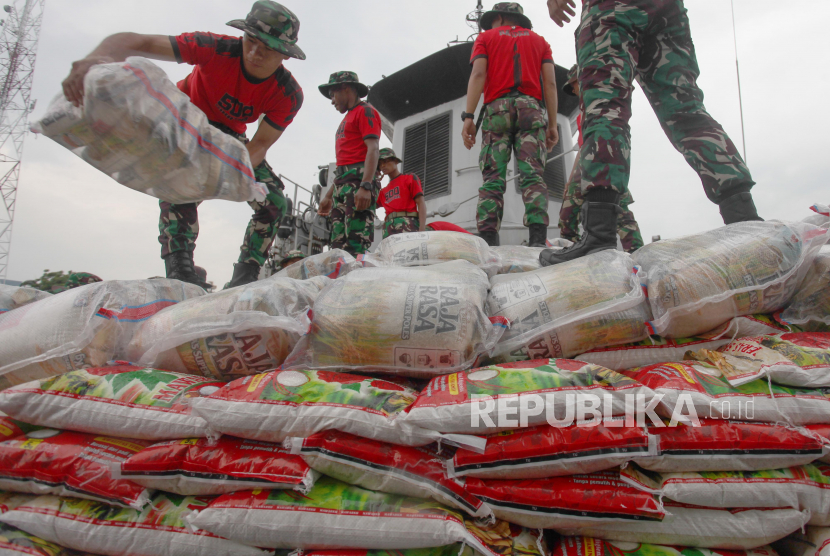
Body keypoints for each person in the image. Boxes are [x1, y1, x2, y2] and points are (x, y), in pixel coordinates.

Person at [61, 1, 306, 289]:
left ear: (284, 54)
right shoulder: (215, 48)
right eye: (250, 41)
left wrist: (229, 170)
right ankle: (179, 268)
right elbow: (136, 41)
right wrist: (97, 56)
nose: (254, 53)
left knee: (273, 200)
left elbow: (260, 145)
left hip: (227, 140)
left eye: (266, 47)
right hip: (184, 121)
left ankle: (245, 277)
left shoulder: (288, 95)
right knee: (180, 184)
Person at [542, 0, 762, 266]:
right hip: (667, 9)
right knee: (686, 110)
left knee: (605, 109)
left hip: (612, 8)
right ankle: (744, 217)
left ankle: (598, 239)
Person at [461, 3, 560, 248]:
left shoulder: (486, 38)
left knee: (493, 178)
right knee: (532, 176)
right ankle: (537, 239)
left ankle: (488, 239)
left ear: (501, 17)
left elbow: (478, 75)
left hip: (497, 111)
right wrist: (553, 126)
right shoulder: (540, 41)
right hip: (531, 109)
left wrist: (469, 116)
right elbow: (550, 84)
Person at [558, 65, 644, 253]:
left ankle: (636, 252)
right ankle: (570, 247)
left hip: (606, 154)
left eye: (572, 85)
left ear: (581, 79)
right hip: (587, 160)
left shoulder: (601, 106)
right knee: (568, 212)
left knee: (619, 208)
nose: (572, 90)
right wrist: (572, 179)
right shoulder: (585, 113)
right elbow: (583, 146)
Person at [317, 72, 382, 256]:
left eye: (332, 95)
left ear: (345, 89)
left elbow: (373, 149)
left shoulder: (365, 111)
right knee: (337, 246)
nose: (332, 101)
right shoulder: (347, 118)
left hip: (358, 183)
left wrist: (366, 185)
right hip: (343, 185)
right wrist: (329, 196)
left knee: (355, 242)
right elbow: (343, 166)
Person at [377, 148, 427, 239]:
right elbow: (367, 205)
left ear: (395, 161)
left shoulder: (410, 178)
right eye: (380, 164)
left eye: (386, 161)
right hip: (388, 227)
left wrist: (422, 229)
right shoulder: (382, 191)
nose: (383, 165)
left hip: (408, 223)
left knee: (410, 251)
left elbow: (421, 203)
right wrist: (373, 178)